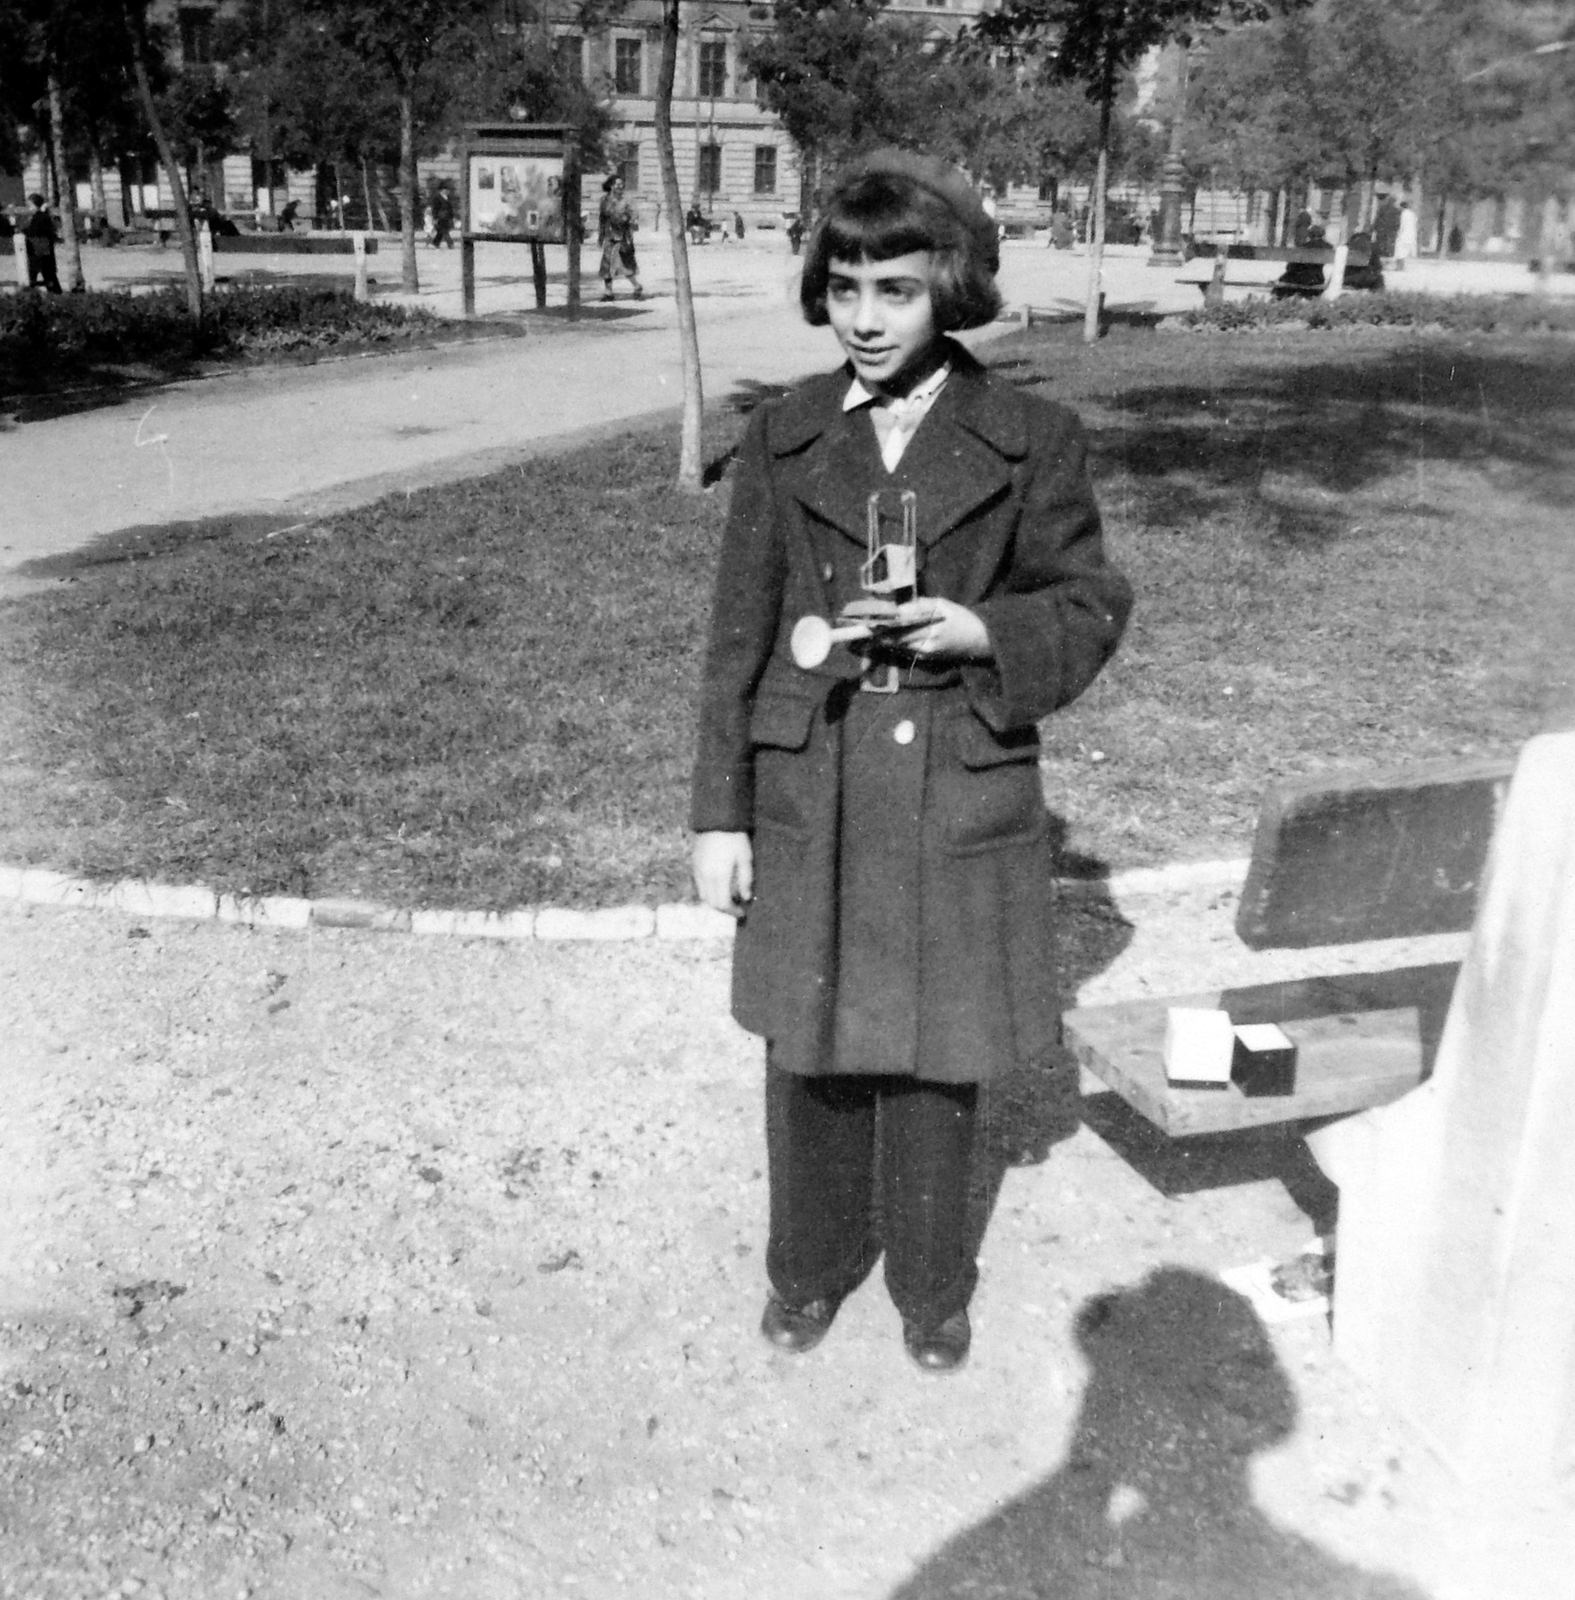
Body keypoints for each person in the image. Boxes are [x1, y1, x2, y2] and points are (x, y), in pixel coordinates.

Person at [689, 149, 1132, 1376]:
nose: (866, 319)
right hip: (810, 786)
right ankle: (810, 1266)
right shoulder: (784, 438)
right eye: (843, 290)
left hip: (954, 782)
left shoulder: (1031, 436)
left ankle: (934, 1286)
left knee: (941, 1049)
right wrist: (717, 817)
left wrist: (983, 628)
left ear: (953, 289)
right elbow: (736, 638)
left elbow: (1090, 600)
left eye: (894, 290)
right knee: (811, 1039)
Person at [597, 175, 643, 300]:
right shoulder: (604, 200)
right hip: (609, 235)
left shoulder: (627, 201)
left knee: (625, 264)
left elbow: (634, 215)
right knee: (606, 264)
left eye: (622, 184)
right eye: (617, 184)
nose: (620, 186)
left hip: (623, 237)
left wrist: (631, 221)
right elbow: (602, 219)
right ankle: (608, 292)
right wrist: (600, 236)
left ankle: (637, 286)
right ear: (611, 185)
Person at [24, 193, 62, 293]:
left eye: (30, 206)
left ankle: (31, 294)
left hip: (40, 251)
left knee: (45, 275)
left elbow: (36, 232)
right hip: (40, 251)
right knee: (46, 276)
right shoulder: (39, 216)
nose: (29, 208)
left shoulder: (41, 217)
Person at [1374, 192, 1401, 261]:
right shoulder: (1397, 210)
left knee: (1381, 245)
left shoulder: (1382, 208)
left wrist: (1375, 227)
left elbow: (1378, 218)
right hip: (1390, 231)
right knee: (1389, 246)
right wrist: (1397, 229)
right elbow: (1397, 221)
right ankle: (1387, 259)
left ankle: (1381, 259)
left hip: (1382, 229)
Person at [1393, 199, 1418, 268]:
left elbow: (1402, 225)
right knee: (1404, 251)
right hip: (1411, 234)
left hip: (1404, 234)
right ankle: (1401, 266)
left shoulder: (1403, 214)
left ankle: (1399, 266)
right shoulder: (1412, 214)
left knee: (1399, 250)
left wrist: (1399, 233)